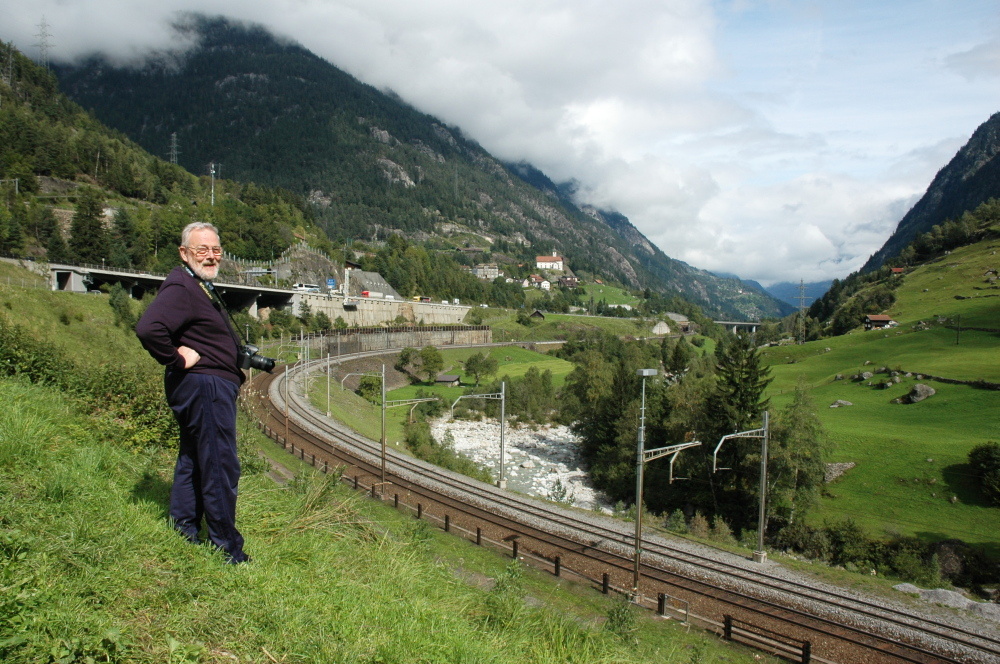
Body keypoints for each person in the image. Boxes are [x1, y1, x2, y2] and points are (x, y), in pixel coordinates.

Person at [136, 222, 250, 563]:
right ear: (185, 253)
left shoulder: (197, 284)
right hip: (205, 387)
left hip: (203, 387)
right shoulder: (182, 286)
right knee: (219, 465)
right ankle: (226, 549)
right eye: (202, 250)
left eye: (216, 250)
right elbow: (148, 328)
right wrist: (175, 357)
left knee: (194, 459)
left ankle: (183, 528)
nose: (211, 256)